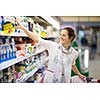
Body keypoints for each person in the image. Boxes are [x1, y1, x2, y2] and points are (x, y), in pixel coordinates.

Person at [15, 19, 86, 83]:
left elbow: (72, 64)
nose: (60, 37)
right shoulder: (53, 46)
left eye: (64, 35)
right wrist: (23, 28)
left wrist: (79, 74)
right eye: (60, 34)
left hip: (65, 79)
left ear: (71, 38)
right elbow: (36, 38)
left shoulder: (74, 53)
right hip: (51, 78)